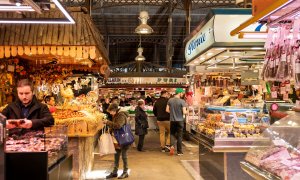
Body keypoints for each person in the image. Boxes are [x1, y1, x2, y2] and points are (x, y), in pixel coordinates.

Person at [104, 103, 130, 179]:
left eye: (110, 111)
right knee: (116, 155)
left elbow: (118, 125)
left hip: (123, 138)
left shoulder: (121, 115)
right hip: (117, 138)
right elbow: (115, 125)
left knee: (124, 156)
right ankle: (115, 172)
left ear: (114, 110)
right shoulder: (116, 115)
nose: (110, 113)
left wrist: (107, 122)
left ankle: (125, 172)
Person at [166, 88, 187, 156]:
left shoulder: (170, 100)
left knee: (172, 134)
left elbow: (167, 110)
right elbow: (184, 112)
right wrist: (188, 111)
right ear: (180, 93)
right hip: (180, 120)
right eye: (182, 93)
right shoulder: (182, 101)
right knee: (179, 136)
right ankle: (179, 152)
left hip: (172, 120)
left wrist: (172, 113)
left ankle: (172, 146)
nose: (182, 95)